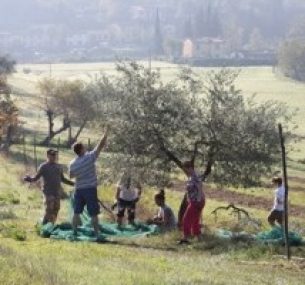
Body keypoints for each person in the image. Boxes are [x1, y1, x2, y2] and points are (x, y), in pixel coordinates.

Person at [69, 129, 108, 239]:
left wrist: (80, 173)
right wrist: (105, 134)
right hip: (90, 189)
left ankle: (74, 232)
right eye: (84, 147)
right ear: (81, 149)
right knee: (93, 213)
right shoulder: (89, 157)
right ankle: (97, 234)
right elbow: (100, 146)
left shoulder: (72, 163)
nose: (86, 148)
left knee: (76, 212)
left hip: (79, 189)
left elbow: (71, 176)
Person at [24, 149, 74, 225]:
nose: (54, 157)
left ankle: (51, 225)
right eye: (52, 155)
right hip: (48, 192)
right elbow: (36, 178)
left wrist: (73, 183)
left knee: (56, 209)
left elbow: (63, 179)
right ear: (48, 156)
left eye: (55, 155)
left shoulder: (59, 167)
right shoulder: (44, 166)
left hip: (57, 192)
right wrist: (30, 179)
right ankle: (43, 225)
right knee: (49, 209)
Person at [179, 161, 205, 244]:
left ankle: (186, 238)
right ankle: (200, 239)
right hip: (194, 201)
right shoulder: (191, 177)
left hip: (196, 202)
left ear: (190, 168)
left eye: (186, 170)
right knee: (195, 221)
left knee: (186, 219)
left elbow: (200, 189)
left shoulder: (195, 177)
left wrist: (198, 201)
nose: (185, 172)